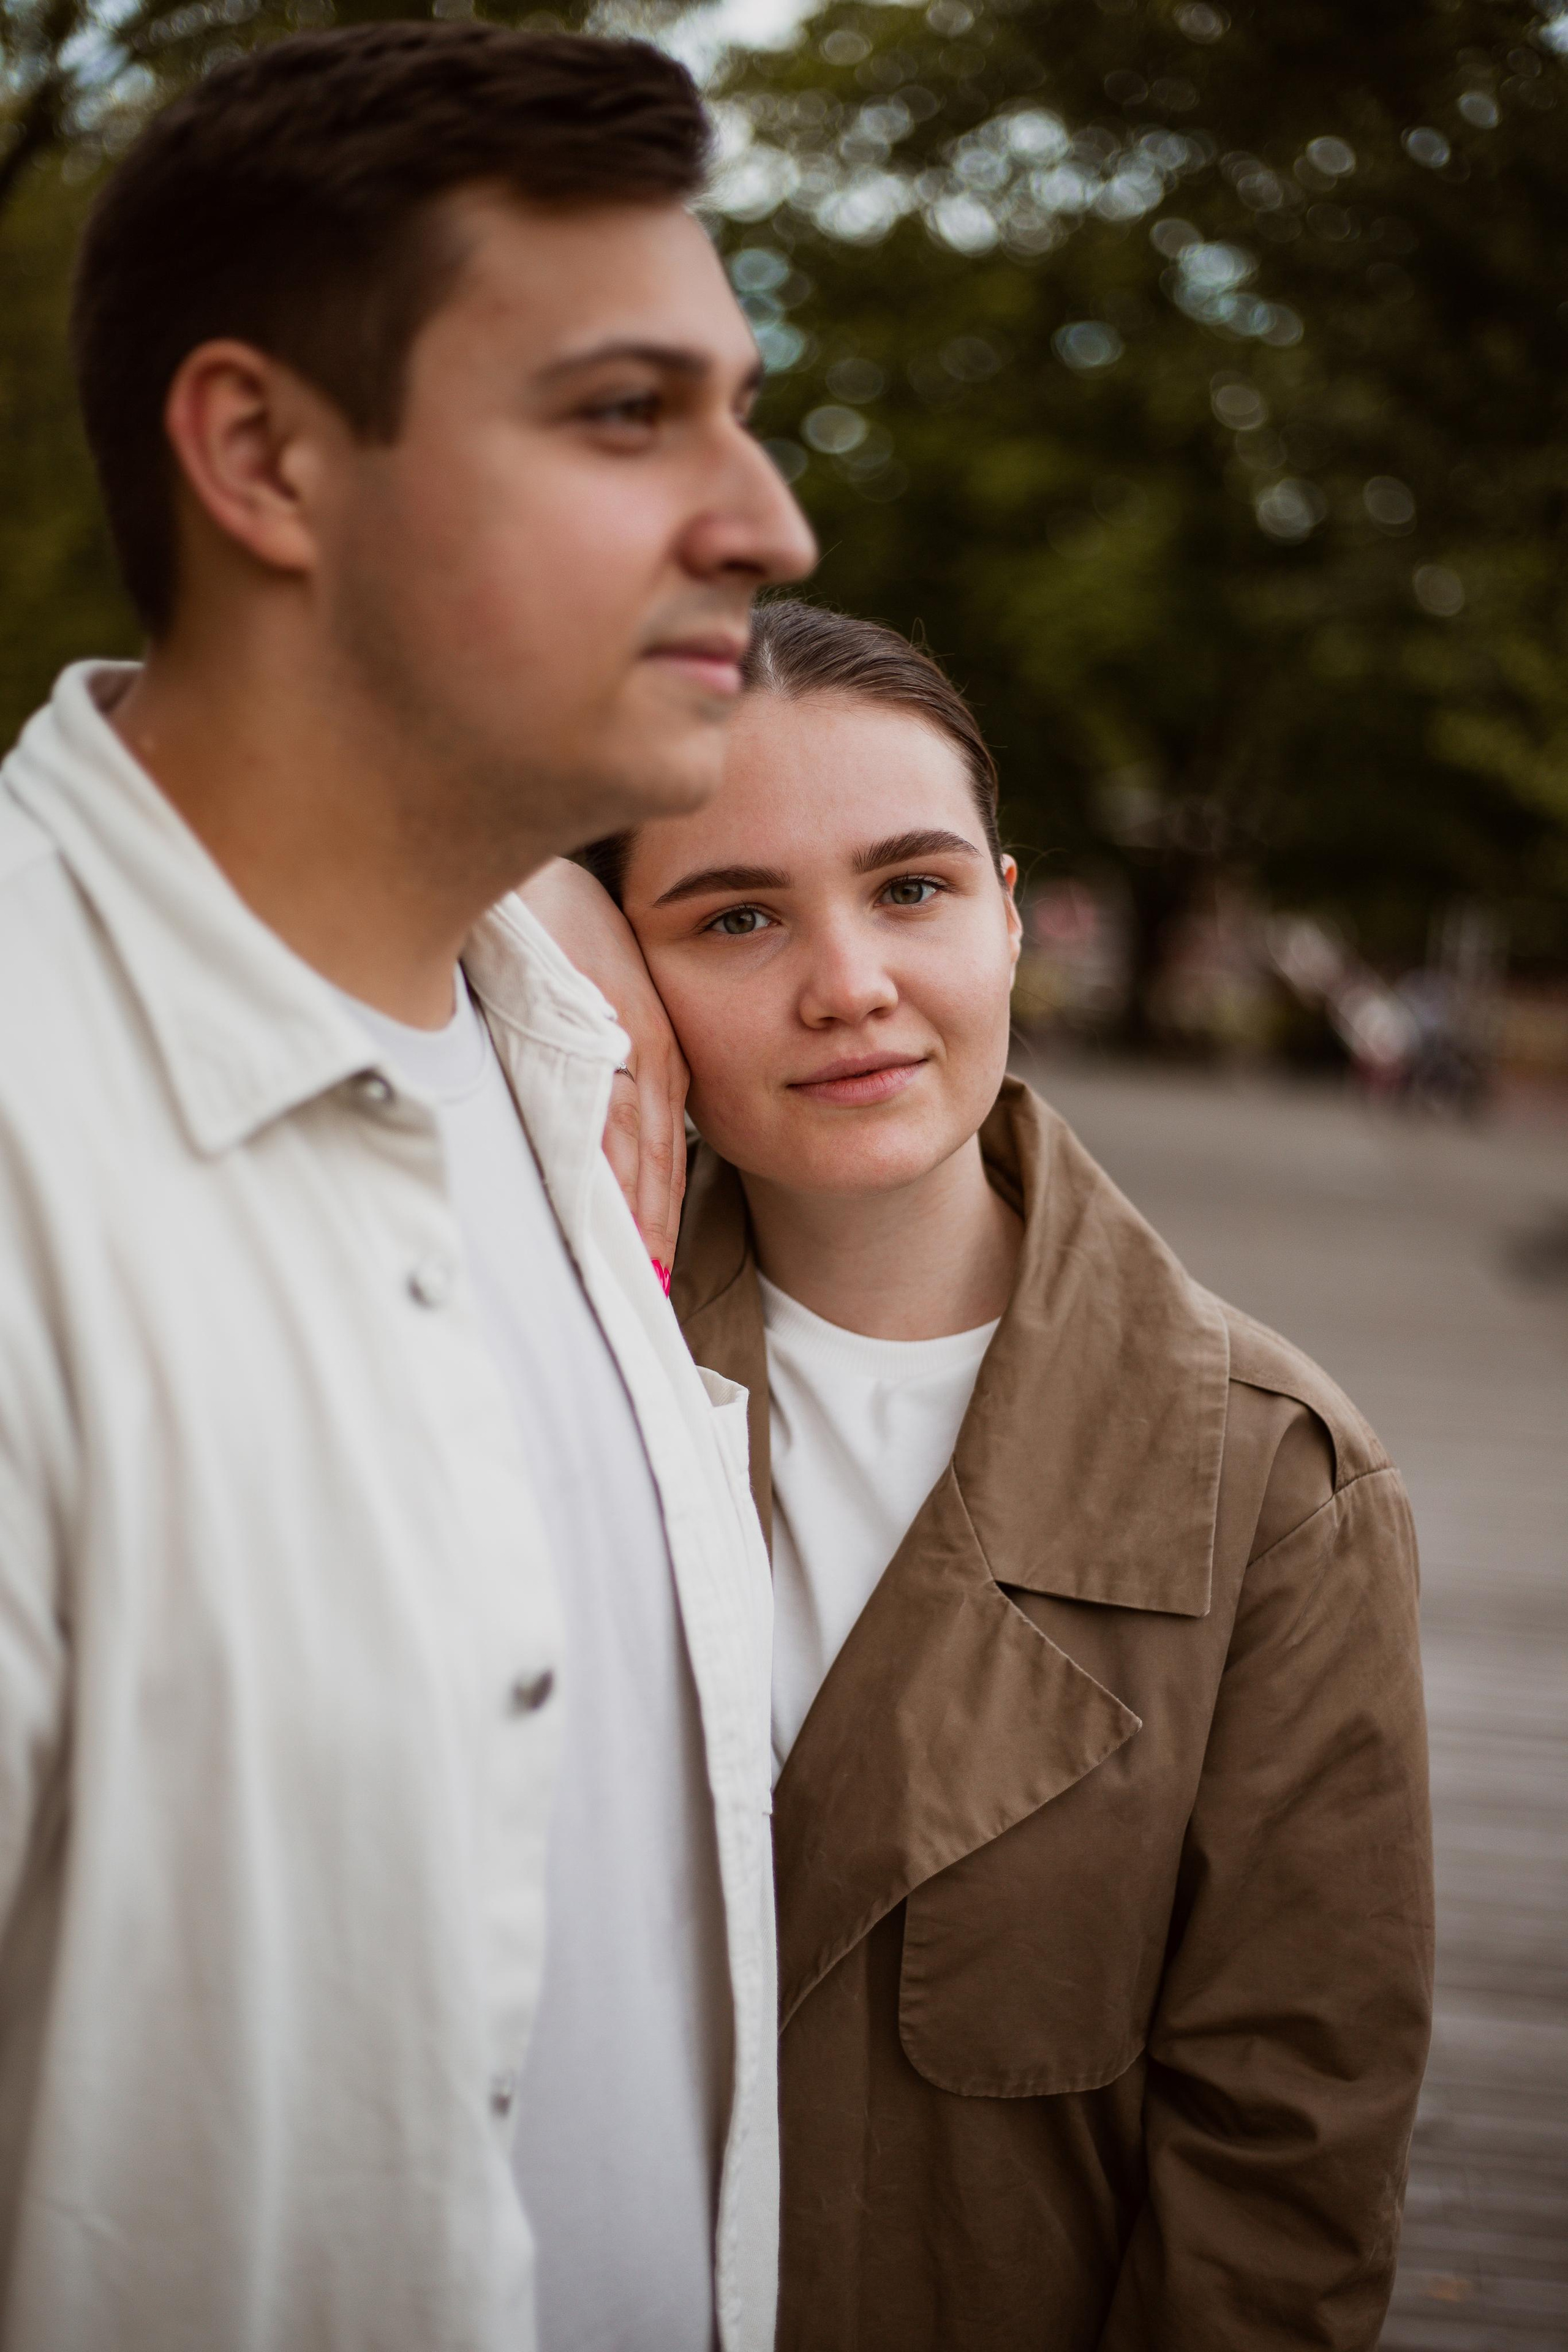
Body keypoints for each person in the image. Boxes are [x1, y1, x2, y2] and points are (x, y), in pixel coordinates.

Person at [0, 27, 815, 2352]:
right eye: (624, 412)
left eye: (738, 407)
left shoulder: (567, 1072)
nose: (768, 517)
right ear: (263, 455)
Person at [547, 597, 1435, 2350]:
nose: (851, 983)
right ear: (626, 977)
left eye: (914, 887)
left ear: (1012, 913)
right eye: (734, 914)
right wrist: (514, 892)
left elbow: (1285, 2175)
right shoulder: (531, 1361)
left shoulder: (1276, 1489)